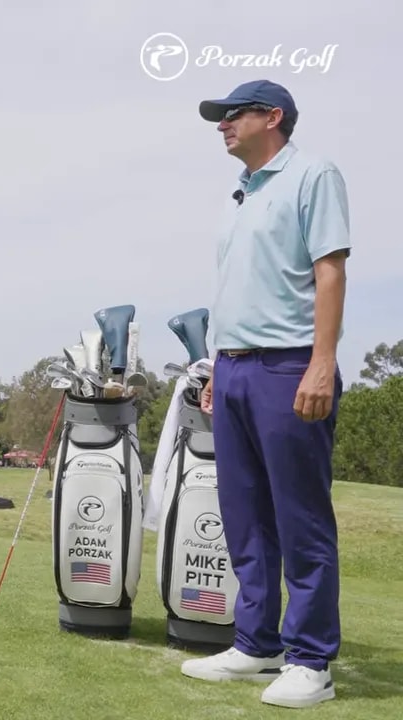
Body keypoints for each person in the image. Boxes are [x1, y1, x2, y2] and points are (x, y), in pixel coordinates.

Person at [179, 80, 350, 709]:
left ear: (272, 117)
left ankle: (311, 660)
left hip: (291, 366)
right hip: (234, 371)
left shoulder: (313, 175)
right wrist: (218, 370)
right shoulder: (241, 193)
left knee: (300, 518)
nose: (222, 124)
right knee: (244, 516)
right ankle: (257, 644)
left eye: (233, 114)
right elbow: (238, 287)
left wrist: (322, 363)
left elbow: (329, 271)